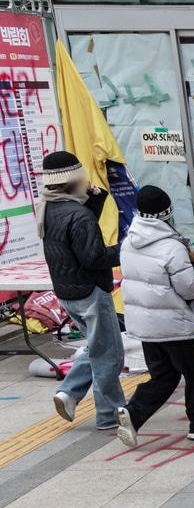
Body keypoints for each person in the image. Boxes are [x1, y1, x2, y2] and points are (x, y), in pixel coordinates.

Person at [112, 186, 194, 448]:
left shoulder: (129, 241)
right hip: (174, 324)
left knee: (164, 376)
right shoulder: (171, 246)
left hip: (145, 325)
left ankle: (134, 413)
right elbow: (187, 286)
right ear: (167, 213)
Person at [38, 150, 124, 430]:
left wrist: (96, 198)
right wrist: (127, 250)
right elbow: (93, 256)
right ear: (75, 178)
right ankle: (109, 414)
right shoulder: (77, 214)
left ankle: (69, 393)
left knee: (97, 346)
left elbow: (78, 230)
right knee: (108, 353)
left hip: (67, 290)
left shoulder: (49, 206)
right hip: (90, 291)